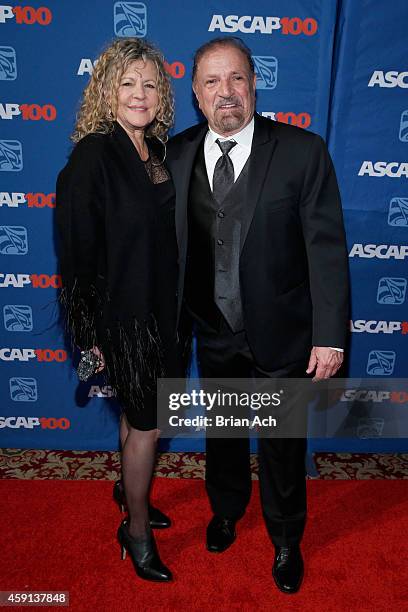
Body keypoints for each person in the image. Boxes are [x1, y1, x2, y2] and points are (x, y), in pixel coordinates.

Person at [167, 37, 349, 594]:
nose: (227, 92)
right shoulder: (174, 155)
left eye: (237, 79)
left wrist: (329, 335)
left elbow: (325, 248)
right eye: (213, 83)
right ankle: (225, 511)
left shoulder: (301, 151)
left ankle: (287, 537)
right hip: (212, 327)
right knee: (223, 432)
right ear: (197, 95)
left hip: (283, 330)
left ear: (254, 84)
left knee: (280, 442)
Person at [56, 38, 178, 583]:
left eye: (150, 83)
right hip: (124, 320)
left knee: (140, 416)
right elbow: (76, 253)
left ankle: (131, 492)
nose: (140, 93)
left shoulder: (157, 150)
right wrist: (89, 333)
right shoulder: (93, 155)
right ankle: (135, 531)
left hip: (166, 314)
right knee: (149, 424)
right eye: (128, 82)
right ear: (106, 90)